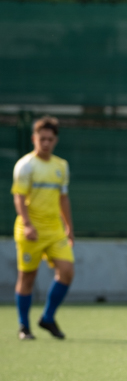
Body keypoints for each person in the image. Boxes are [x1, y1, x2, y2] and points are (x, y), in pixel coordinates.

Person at [12, 116, 75, 340]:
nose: (46, 143)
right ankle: (24, 326)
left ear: (55, 140)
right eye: (42, 139)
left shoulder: (61, 166)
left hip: (54, 230)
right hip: (30, 230)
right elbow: (19, 197)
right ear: (34, 139)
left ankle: (47, 318)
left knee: (67, 272)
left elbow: (63, 199)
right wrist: (28, 224)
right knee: (28, 277)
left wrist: (69, 227)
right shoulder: (25, 165)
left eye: (50, 139)